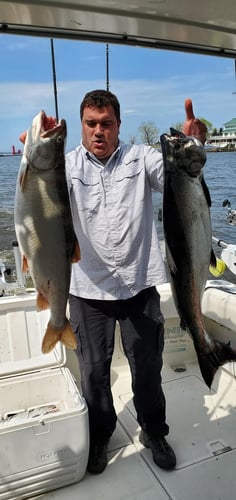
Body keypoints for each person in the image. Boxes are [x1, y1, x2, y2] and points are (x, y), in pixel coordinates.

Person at [66, 89, 207, 475]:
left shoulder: (141, 157)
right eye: (91, 124)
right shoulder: (65, 168)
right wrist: (34, 162)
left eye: (106, 124)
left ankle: (154, 431)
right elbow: (40, 200)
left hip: (138, 283)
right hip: (86, 289)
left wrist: (193, 144)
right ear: (82, 124)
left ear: (118, 126)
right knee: (93, 371)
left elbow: (182, 174)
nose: (99, 132)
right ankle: (100, 436)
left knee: (147, 367)